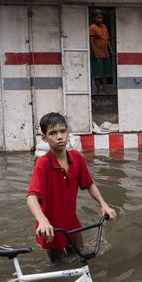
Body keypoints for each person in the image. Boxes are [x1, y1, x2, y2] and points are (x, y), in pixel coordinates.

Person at [27, 112, 117, 262]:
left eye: (63, 131)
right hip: (51, 229)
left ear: (68, 132)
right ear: (44, 138)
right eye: (53, 133)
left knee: (81, 257)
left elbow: (89, 184)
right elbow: (31, 197)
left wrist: (104, 205)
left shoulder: (77, 158)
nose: (59, 137)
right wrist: (43, 221)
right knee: (59, 265)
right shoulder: (43, 164)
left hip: (72, 224)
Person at [89, 9, 114, 95]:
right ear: (94, 18)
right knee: (97, 74)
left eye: (101, 18)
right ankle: (98, 91)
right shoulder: (92, 27)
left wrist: (110, 49)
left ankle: (105, 89)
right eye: (98, 18)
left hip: (105, 54)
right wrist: (94, 53)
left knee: (106, 73)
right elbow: (91, 41)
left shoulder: (104, 27)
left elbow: (107, 40)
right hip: (97, 54)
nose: (99, 19)